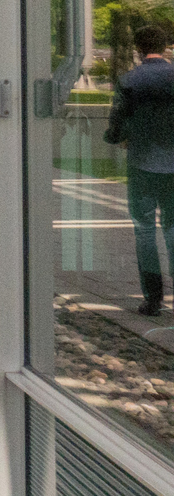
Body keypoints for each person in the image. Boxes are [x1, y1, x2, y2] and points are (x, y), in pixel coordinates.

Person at [107, 25, 174, 316]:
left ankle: (153, 299)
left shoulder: (130, 80)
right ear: (165, 45)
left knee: (144, 228)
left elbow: (117, 122)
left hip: (142, 162)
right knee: (172, 227)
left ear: (138, 48)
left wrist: (117, 137)